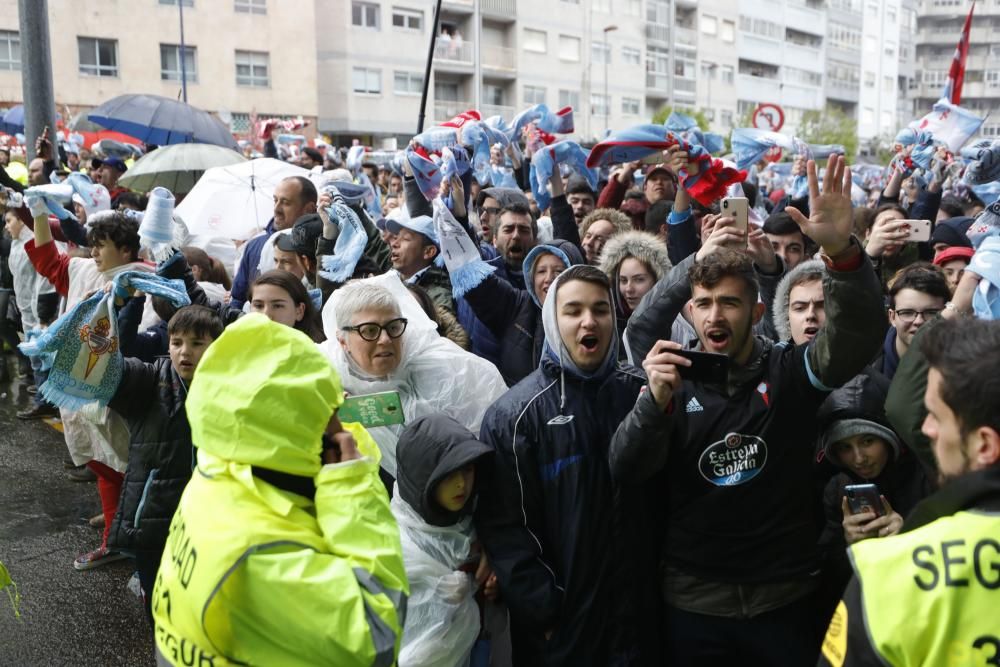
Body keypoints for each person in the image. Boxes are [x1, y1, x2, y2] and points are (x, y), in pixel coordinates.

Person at [609, 156, 886, 664]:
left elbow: (856, 336)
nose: (716, 314)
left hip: (784, 600)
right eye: (705, 302)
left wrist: (843, 253)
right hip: (696, 606)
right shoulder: (669, 380)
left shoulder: (791, 372)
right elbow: (627, 466)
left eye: (730, 303)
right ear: (690, 312)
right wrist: (653, 403)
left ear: (757, 312)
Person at [151, 314, 408, 666]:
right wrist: (353, 484)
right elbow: (376, 636)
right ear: (294, 426)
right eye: (329, 412)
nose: (341, 427)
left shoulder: (218, 470)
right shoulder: (264, 549)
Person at [475, 265, 656, 664]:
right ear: (552, 321)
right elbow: (506, 529)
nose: (588, 321)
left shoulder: (640, 394)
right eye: (573, 310)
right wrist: (547, 610)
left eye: (600, 309)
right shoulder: (515, 416)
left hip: (640, 622)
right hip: (562, 634)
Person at [819, 319, 1000, 666]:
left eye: (935, 416)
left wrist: (907, 541)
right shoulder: (836, 492)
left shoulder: (885, 573)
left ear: (985, 445)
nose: (926, 430)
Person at [24, 204, 151, 568]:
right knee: (100, 461)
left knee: (122, 463)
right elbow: (49, 260)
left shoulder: (142, 277)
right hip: (79, 391)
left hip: (116, 391)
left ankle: (123, 532)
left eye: (102, 245)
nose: (93, 252)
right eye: (92, 244)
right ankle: (117, 526)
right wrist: (37, 213)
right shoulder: (83, 270)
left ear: (126, 250)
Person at [322, 274, 507, 481]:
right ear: (342, 340)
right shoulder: (323, 383)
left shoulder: (448, 368)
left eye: (393, 327)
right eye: (370, 330)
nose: (385, 339)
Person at [107, 305, 223, 618]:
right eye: (177, 342)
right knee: (159, 608)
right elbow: (102, 369)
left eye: (198, 343)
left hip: (211, 523)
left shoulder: (230, 388)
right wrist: (122, 308)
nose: (185, 352)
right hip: (153, 523)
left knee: (204, 609)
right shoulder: (148, 380)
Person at [814, 371, 933, 623]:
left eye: (867, 441)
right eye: (845, 448)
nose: (859, 458)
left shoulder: (925, 477)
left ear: (888, 437)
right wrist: (849, 545)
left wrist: (906, 538)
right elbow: (831, 582)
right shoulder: (838, 490)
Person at [391, 413, 498, 666]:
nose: (462, 484)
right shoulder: (398, 541)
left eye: (468, 470)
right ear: (423, 477)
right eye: (448, 475)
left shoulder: (479, 524)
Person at [461, 240, 585, 386]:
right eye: (541, 271)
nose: (549, 278)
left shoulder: (588, 319)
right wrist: (460, 222)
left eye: (559, 271)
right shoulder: (518, 305)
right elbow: (476, 281)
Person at [230, 176, 317, 308]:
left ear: (309, 209)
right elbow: (237, 299)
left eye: (285, 202)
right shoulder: (254, 246)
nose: (276, 209)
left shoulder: (323, 248)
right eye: (275, 200)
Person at [6, 210, 59, 419]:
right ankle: (45, 396)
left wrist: (44, 315)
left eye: (9, 221)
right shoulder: (16, 242)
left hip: (40, 312)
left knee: (43, 357)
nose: (6, 226)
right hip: (27, 309)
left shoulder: (36, 241)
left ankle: (45, 401)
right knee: (37, 357)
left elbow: (45, 279)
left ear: (21, 219)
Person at [597, 229, 677, 344]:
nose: (629, 289)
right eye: (623, 280)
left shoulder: (674, 324)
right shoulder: (609, 324)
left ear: (657, 280)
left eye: (639, 280)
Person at [875, 263, 949, 380]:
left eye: (930, 312)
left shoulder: (963, 367)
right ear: (892, 317)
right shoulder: (867, 366)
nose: (919, 321)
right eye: (907, 313)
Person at [386, 214, 456, 316]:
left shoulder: (438, 297)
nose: (394, 244)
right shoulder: (390, 279)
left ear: (428, 252)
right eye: (396, 237)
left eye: (406, 239)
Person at [249, 270, 324, 342]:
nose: (266, 315)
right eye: (258, 306)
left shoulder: (318, 352)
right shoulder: (240, 345)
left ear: (299, 311)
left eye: (277, 306)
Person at [772, 259, 827, 345]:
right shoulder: (774, 358)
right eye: (799, 308)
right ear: (786, 319)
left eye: (823, 306)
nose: (810, 315)